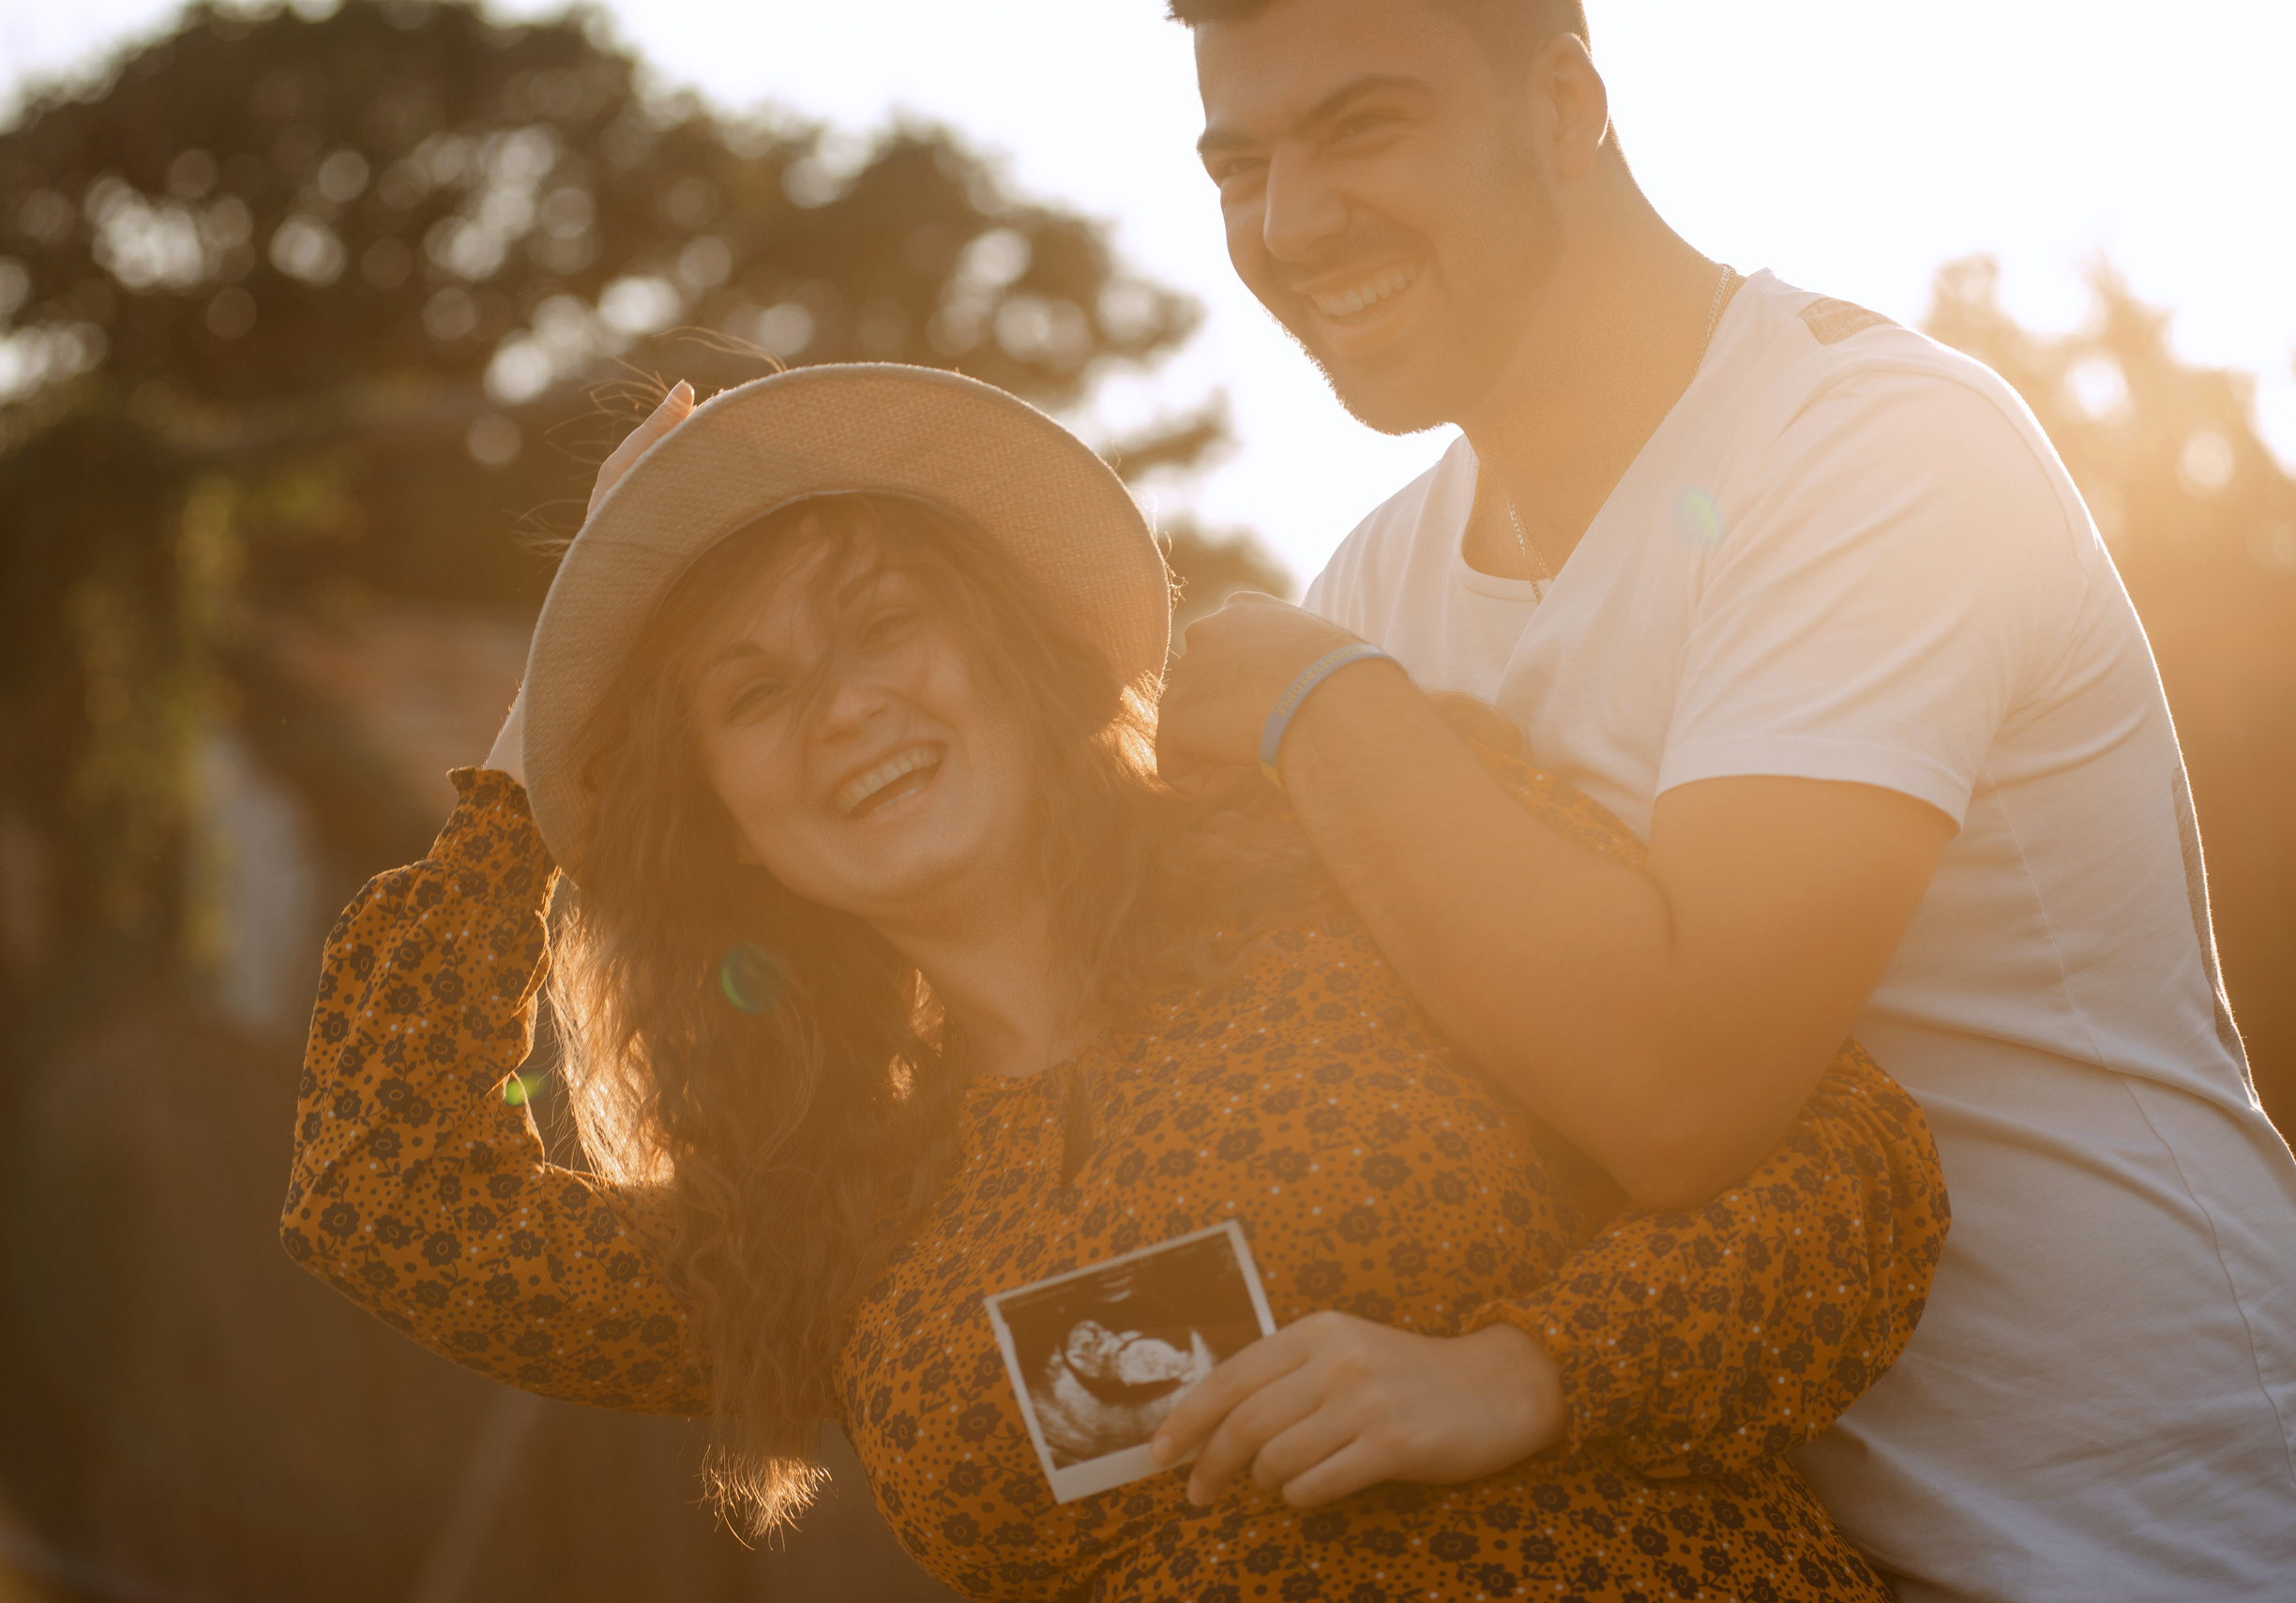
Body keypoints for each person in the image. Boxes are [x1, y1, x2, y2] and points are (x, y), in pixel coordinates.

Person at [280, 364, 1945, 1601]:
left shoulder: (1337, 859)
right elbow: (387, 1196)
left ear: (1011, 651)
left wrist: (1524, 1369)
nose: (845, 706)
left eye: (883, 624)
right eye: (756, 695)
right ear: (738, 835)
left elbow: (1845, 1161)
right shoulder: (828, 1217)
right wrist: (537, 763)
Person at [1153, 2, 2296, 1597]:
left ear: (1567, 106)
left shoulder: (1878, 448)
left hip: (2149, 1534)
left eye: (1363, 127)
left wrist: (1319, 699)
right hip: (1742, 1545)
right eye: (1241, 166)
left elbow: (1683, 1088)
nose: (1290, 223)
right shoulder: (1371, 589)